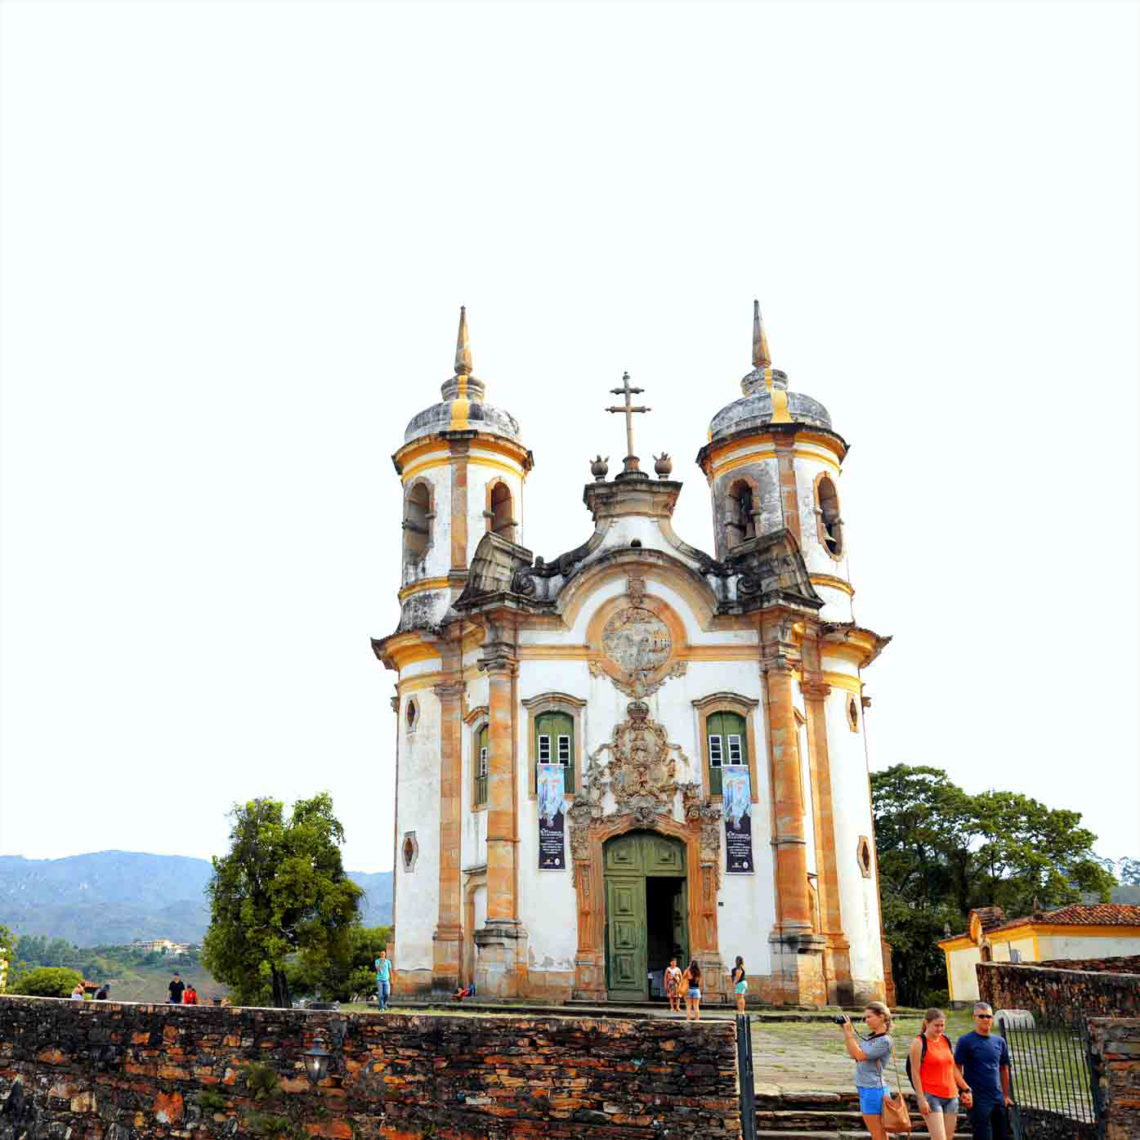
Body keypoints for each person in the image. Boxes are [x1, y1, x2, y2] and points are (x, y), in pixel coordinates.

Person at [909, 1007, 971, 1140]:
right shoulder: (918, 1043)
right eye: (936, 1025)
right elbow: (915, 1072)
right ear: (926, 1023)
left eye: (942, 1025)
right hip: (931, 1096)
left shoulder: (945, 1040)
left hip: (951, 1096)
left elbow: (953, 1069)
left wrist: (966, 1089)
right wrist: (921, 1098)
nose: (940, 1029)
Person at [954, 1002, 1012, 1140]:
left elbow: (1004, 1068)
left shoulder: (999, 1041)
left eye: (989, 1016)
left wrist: (1005, 1095)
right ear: (975, 1018)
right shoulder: (965, 1041)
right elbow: (956, 1069)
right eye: (982, 1016)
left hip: (997, 1098)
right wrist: (964, 1091)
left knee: (1001, 1136)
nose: (986, 1019)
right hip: (978, 1099)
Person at [839, 1001, 895, 1140]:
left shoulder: (884, 1041)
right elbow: (854, 1054)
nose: (866, 1020)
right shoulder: (872, 1038)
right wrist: (847, 1033)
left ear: (881, 1017)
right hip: (866, 1087)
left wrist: (850, 1033)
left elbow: (860, 1055)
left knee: (878, 1135)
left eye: (869, 1017)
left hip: (874, 1089)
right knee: (879, 1134)